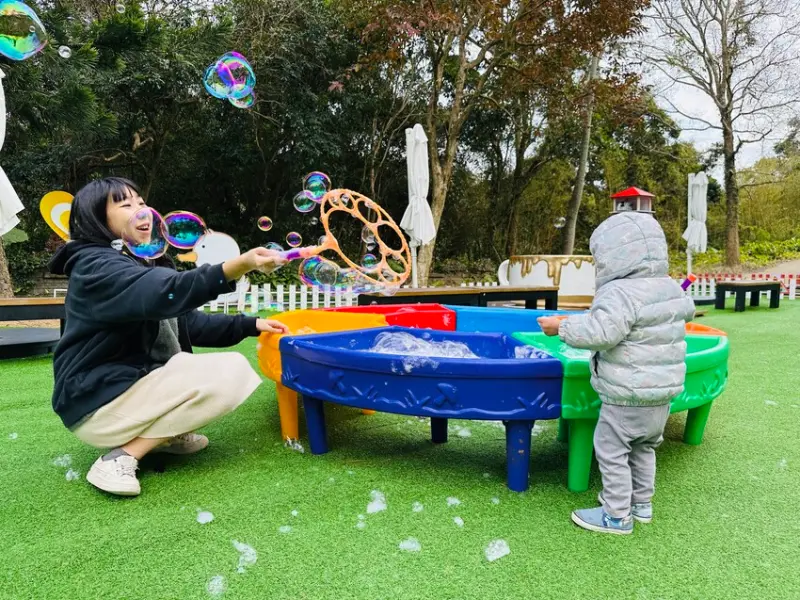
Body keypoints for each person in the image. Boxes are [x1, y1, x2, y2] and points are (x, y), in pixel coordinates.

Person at [49, 177, 289, 497]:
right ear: (98, 219)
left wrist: (251, 324)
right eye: (126, 205)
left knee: (205, 366)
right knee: (232, 371)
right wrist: (237, 266)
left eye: (141, 202)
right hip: (95, 401)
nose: (141, 210)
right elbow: (168, 291)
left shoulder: (137, 263)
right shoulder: (95, 267)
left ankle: (167, 435)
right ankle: (121, 457)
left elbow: (189, 322)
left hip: (125, 389)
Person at [538, 211, 695, 535]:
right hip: (662, 393)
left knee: (611, 450)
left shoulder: (619, 292)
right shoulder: (669, 288)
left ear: (611, 256)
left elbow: (601, 333)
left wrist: (562, 327)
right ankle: (641, 505)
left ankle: (616, 514)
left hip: (627, 394)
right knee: (645, 447)